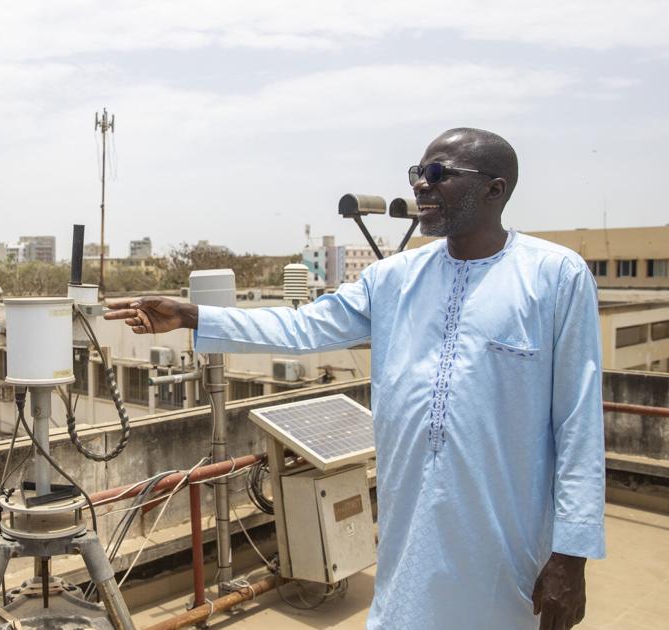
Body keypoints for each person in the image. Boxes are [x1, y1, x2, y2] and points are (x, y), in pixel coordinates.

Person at [106, 128, 605, 630]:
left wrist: (572, 554)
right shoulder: (394, 279)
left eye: (437, 174)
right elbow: (303, 327)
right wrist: (194, 316)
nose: (420, 187)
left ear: (495, 190)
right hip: (410, 528)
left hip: (506, 539)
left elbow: (578, 424)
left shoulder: (555, 277)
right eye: (417, 174)